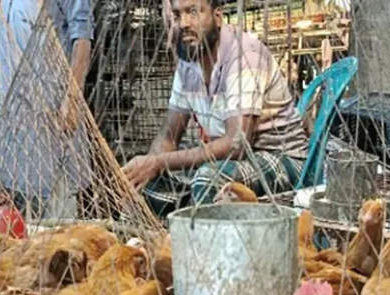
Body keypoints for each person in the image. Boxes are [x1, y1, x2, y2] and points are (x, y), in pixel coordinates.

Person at [122, 0, 309, 217]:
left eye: (193, 12)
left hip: (282, 158)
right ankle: (185, 222)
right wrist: (145, 169)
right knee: (148, 183)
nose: (184, 23)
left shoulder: (244, 54)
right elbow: (169, 137)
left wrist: (158, 162)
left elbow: (236, 144)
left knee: (208, 178)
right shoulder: (187, 63)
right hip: (230, 163)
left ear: (217, 17)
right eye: (177, 15)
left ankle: (196, 230)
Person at [0, 0, 95, 218]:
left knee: (55, 220)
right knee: (14, 223)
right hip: (12, 123)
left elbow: (82, 38)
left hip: (49, 116)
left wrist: (72, 101)